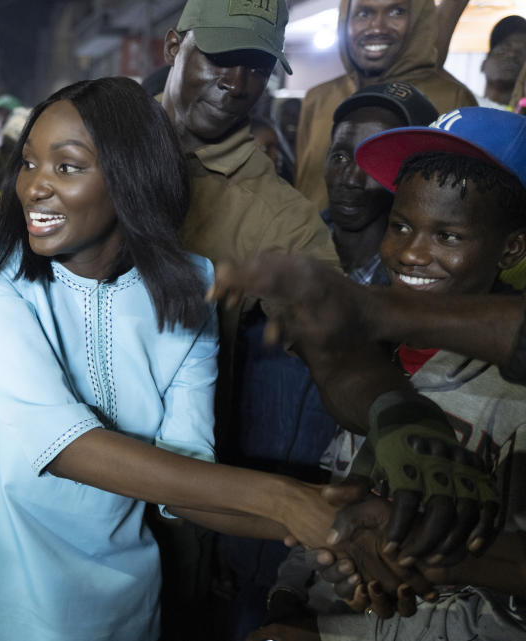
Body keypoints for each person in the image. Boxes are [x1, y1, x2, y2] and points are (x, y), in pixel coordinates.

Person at [0, 76, 345, 641]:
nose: (34, 187)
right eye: (29, 163)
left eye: (67, 167)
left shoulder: (192, 287)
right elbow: (62, 442)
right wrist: (290, 502)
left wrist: (336, 530)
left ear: (131, 177)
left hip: (112, 600)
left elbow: (189, 477)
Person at [249, 106, 526, 641]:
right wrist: (291, 606)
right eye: (400, 225)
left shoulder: (512, 390)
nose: (412, 253)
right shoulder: (379, 354)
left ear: (512, 247)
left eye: (448, 237)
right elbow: (338, 492)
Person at [161, 2, 341, 635]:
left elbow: (336, 330)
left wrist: (388, 406)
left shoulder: (279, 215)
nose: (235, 83)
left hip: (179, 482)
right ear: (172, 46)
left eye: (256, 67)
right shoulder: (101, 143)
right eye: (220, 57)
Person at [294, 0, 477, 212]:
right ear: (345, 20)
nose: (377, 28)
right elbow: (303, 186)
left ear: (418, 19)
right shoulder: (319, 98)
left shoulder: (453, 101)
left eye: (396, 12)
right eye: (364, 14)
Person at [321, 81, 438, 288]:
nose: (350, 179)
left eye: (374, 163)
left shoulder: (424, 275)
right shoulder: (291, 242)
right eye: (339, 157)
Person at [480, 15, 526, 109]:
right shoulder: (460, 102)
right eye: (504, 48)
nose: (512, 54)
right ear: (483, 64)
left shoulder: (521, 120)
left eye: (521, 52)